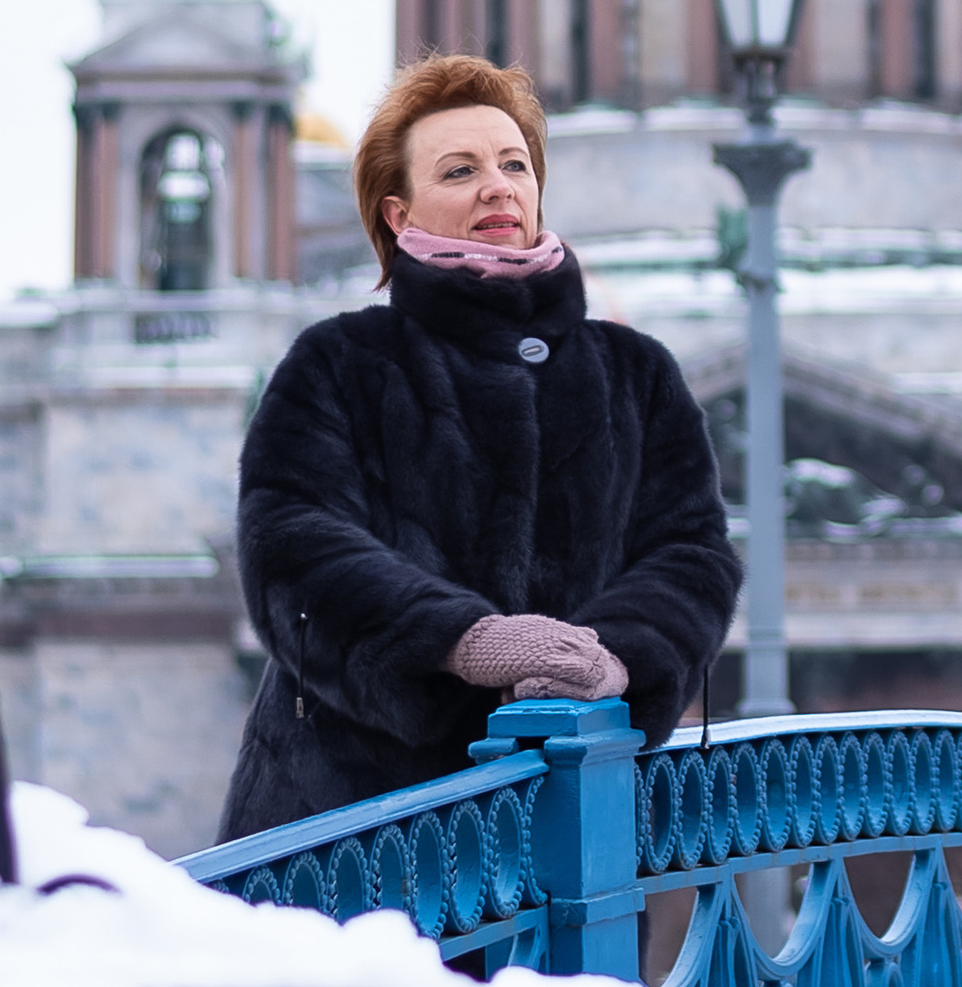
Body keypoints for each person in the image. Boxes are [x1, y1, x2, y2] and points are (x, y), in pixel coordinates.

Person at [220, 53, 740, 839]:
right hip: (357, 844)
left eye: (514, 164)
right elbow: (292, 547)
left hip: (566, 837)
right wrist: (465, 640)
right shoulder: (339, 364)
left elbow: (692, 555)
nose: (498, 185)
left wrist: (616, 660)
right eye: (460, 170)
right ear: (399, 215)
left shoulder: (636, 374)